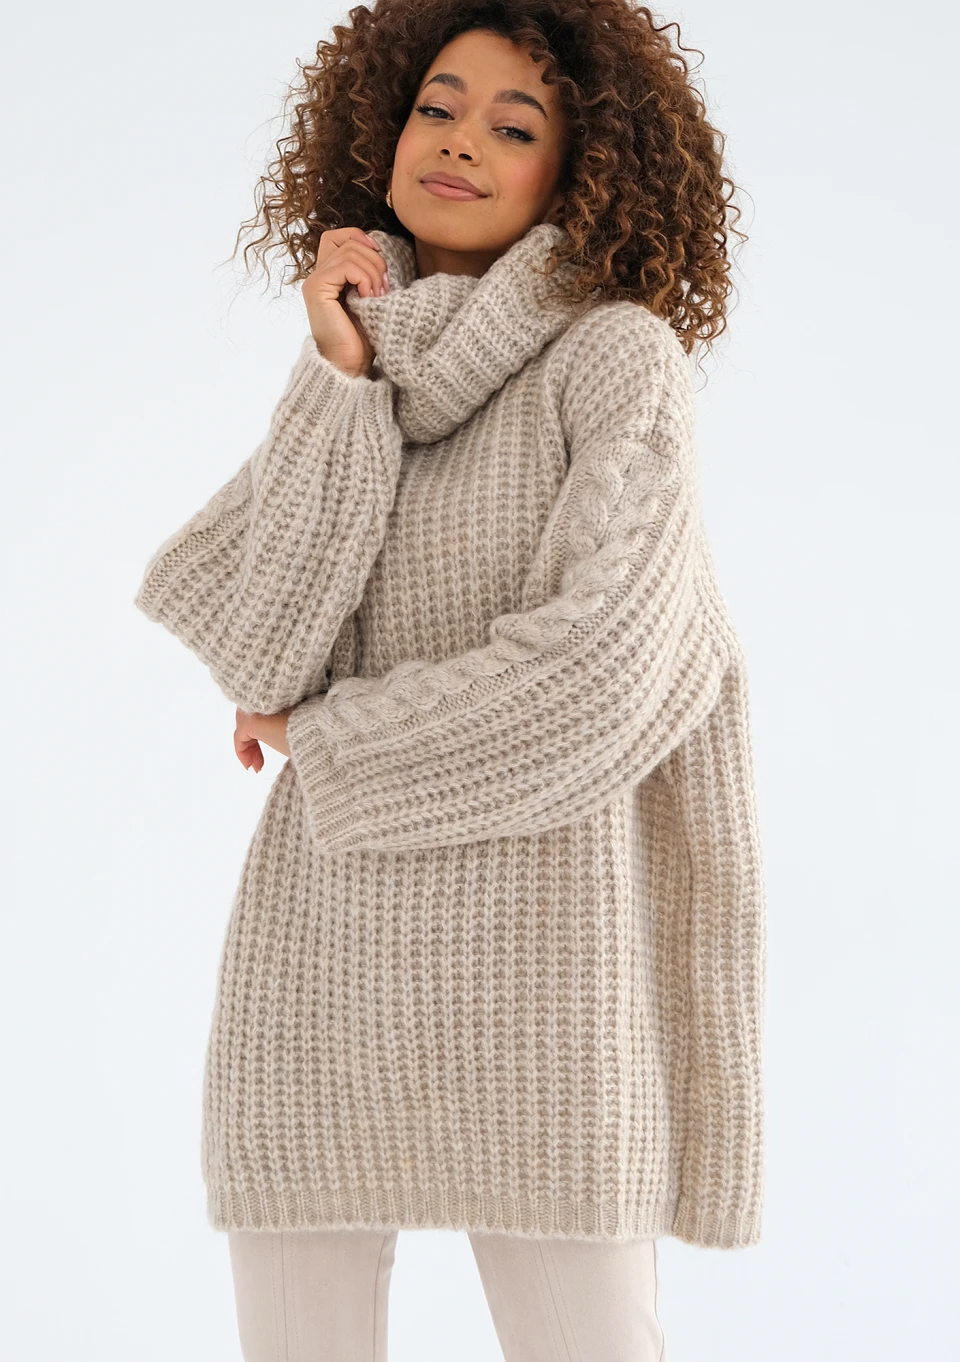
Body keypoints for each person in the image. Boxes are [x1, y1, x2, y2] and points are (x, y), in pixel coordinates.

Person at [133, 2, 766, 1358]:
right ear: (382, 129)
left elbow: (600, 674)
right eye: (437, 106)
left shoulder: (615, 359)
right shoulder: (361, 366)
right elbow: (263, 652)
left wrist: (331, 738)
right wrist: (340, 372)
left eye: (514, 125)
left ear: (584, 174)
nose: (461, 140)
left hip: (551, 978)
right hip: (319, 968)